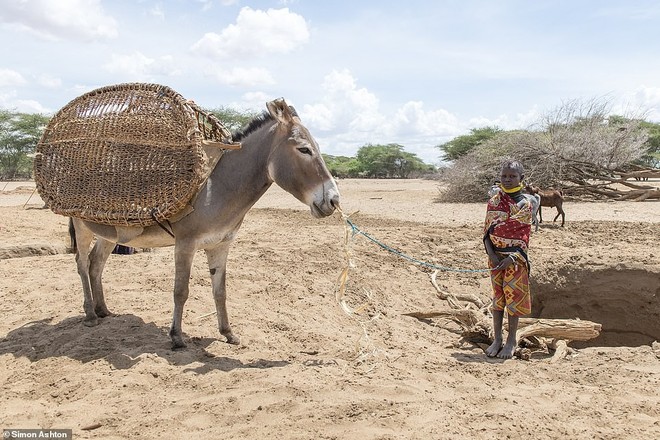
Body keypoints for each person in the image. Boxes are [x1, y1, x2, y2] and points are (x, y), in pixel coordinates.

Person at [483, 160, 534, 359]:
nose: (508, 179)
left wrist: (512, 258)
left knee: (514, 299)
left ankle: (511, 340)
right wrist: (492, 256)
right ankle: (497, 339)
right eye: (504, 176)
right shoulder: (494, 201)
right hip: (495, 258)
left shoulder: (525, 204)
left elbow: (523, 236)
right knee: (498, 299)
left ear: (522, 178)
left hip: (515, 260)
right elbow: (487, 231)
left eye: (512, 176)